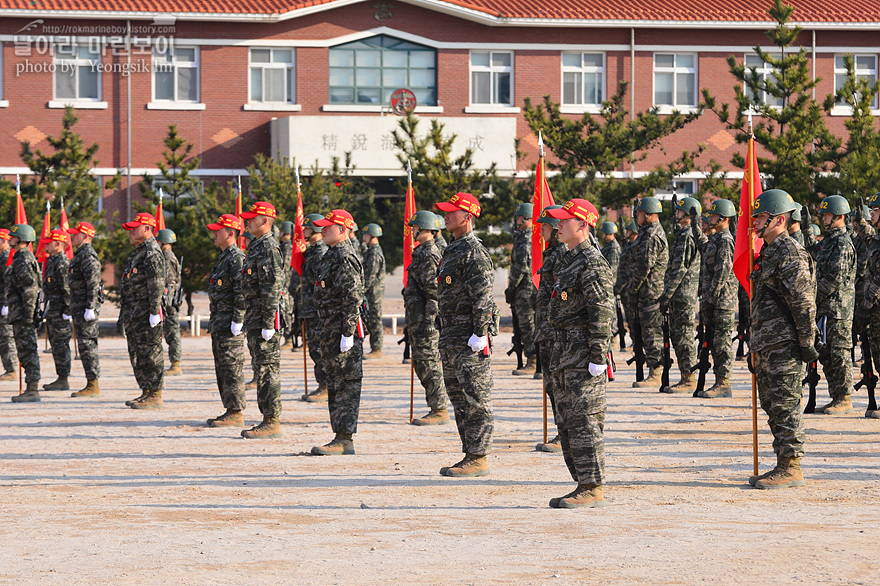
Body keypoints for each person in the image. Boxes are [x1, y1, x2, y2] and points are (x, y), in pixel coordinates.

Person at [544, 198, 613, 508]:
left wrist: (598, 358)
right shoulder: (569, 261)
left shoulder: (593, 263)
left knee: (585, 422)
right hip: (563, 357)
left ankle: (592, 487)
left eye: (564, 220)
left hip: (583, 358)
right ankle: (582, 482)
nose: (558, 225)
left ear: (583, 224)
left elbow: (601, 314)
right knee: (569, 424)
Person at [749, 189, 817, 489]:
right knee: (772, 404)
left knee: (786, 404)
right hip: (767, 343)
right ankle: (780, 462)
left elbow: (803, 303)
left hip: (785, 345)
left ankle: (792, 466)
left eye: (760, 216)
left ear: (778, 219)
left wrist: (806, 345)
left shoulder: (790, 252)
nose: (755, 222)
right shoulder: (769, 252)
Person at [435, 192, 496, 477]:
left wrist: (480, 332)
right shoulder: (453, 248)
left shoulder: (473, 251)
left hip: (468, 338)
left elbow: (482, 295)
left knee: (475, 397)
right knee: (458, 397)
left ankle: (479, 455)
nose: (446, 215)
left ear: (467, 216)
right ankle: (469, 452)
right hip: (451, 336)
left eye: (451, 211)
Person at [310, 209, 365, 455]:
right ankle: (338, 436)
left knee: (346, 385)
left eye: (327, 226)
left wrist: (348, 332)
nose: (322, 229)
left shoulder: (344, 257)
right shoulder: (331, 255)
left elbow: (352, 297)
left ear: (342, 229)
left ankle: (345, 438)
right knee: (334, 383)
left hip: (341, 332)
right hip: (329, 330)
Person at [802, 196, 856, 415]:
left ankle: (845, 397)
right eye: (823, 215)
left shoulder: (842, 243)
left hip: (838, 310)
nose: (824, 218)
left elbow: (835, 278)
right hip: (827, 308)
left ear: (839, 216)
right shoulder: (828, 241)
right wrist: (806, 229)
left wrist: (811, 297)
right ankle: (836, 396)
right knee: (827, 354)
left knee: (840, 354)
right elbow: (812, 252)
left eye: (827, 215)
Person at [239, 201, 284, 438]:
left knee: (267, 369)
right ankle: (266, 417)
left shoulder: (268, 247)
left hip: (264, 319)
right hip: (255, 317)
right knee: (261, 367)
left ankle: (271, 420)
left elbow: (272, 288)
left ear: (264, 221)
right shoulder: (257, 246)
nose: (247, 221)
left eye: (252, 217)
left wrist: (268, 323)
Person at [404, 211, 449, 425]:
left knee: (429, 363)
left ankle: (439, 408)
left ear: (425, 229)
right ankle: (435, 405)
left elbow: (434, 291)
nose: (412, 231)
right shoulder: (421, 252)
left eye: (415, 227)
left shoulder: (429, 253)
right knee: (423, 364)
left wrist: (430, 322)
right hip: (418, 319)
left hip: (425, 322)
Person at [119, 213, 165, 409]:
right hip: (135, 313)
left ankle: (155, 393)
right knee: (138, 353)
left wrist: (154, 311)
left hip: (146, 313)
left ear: (147, 229)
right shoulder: (138, 252)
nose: (130, 232)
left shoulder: (152, 253)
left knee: (150, 352)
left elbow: (157, 284)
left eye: (135, 228)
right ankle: (146, 390)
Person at [205, 214, 247, 427]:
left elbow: (241, 291)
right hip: (220, 322)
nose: (214, 233)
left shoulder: (236, 258)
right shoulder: (224, 258)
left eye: (218, 230)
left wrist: (238, 319)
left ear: (230, 233)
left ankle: (236, 411)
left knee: (232, 367)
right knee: (222, 368)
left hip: (230, 323)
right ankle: (229, 408)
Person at [694, 198, 737, 398]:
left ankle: (724, 383)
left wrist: (711, 298)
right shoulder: (714, 239)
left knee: (722, 343)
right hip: (713, 299)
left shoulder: (726, 241)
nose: (710, 219)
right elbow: (702, 246)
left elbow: (723, 271)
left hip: (722, 301)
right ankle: (718, 380)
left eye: (713, 215)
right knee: (714, 341)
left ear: (723, 218)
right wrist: (695, 225)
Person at [659, 197, 702, 393]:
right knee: (678, 334)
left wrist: (666, 295)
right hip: (679, 293)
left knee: (684, 335)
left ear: (687, 214)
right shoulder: (683, 233)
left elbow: (679, 269)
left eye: (679, 211)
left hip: (683, 293)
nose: (676, 214)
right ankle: (685, 375)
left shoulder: (687, 236)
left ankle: (689, 377)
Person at [534, 204, 566, 452]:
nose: (540, 230)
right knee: (550, 384)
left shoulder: (561, 255)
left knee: (558, 384)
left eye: (544, 225)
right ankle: (560, 432)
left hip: (555, 331)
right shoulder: (551, 253)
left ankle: (564, 435)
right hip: (546, 329)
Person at [630, 196, 669, 387]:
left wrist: (633, 288)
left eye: (639, 212)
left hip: (651, 292)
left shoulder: (652, 236)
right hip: (647, 291)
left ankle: (656, 372)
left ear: (649, 214)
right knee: (646, 331)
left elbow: (644, 266)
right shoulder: (647, 233)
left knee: (652, 332)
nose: (637, 215)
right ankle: (654, 369)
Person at [4, 224, 41, 402]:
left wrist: (28, 315)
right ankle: (30, 388)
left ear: (21, 239)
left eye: (13, 236)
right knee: (24, 351)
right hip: (19, 312)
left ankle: (33, 390)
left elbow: (30, 289)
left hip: (23, 314)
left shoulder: (23, 259)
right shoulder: (20, 257)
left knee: (28, 350)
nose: (10, 238)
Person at [66, 221, 103, 398]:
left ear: (86, 236)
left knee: (88, 345)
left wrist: (90, 307)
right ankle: (90, 382)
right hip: (79, 306)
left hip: (86, 308)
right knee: (83, 345)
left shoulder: (88, 255)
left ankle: (93, 384)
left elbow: (93, 283)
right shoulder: (79, 254)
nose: (73, 236)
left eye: (76, 234)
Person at [300, 213, 330, 402]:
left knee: (320, 348)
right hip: (310, 307)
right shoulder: (311, 252)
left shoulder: (319, 253)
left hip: (318, 309)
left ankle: (326, 386)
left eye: (307, 229)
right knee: (314, 348)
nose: (303, 232)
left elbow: (320, 284)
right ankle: (321, 384)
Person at [507, 203, 537, 376]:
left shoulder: (527, 238)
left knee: (527, 326)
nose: (516, 219)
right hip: (524, 288)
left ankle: (533, 360)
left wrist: (512, 287)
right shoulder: (522, 236)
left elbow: (521, 266)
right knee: (525, 325)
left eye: (519, 216)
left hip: (525, 289)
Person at [40, 229, 72, 392]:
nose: (45, 245)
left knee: (61, 345)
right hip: (53, 310)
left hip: (60, 312)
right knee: (55, 344)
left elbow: (67, 289)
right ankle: (60, 377)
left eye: (49, 243)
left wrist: (67, 311)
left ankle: (63, 378)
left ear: (58, 243)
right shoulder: (52, 261)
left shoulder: (62, 263)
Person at [156, 229, 182, 376]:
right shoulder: (166, 257)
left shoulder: (168, 258)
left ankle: (176, 364)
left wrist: (166, 302)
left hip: (170, 302)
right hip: (169, 300)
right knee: (170, 331)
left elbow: (169, 283)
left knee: (172, 331)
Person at [362, 223, 386, 358]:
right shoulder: (370, 251)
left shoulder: (375, 253)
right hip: (371, 292)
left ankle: (377, 349)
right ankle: (374, 348)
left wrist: (361, 290)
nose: (364, 238)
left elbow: (370, 275)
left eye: (366, 235)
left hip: (374, 293)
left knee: (375, 319)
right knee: (371, 319)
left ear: (373, 236)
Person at [0, 229, 18, 381]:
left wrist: (6, 304)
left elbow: (8, 283)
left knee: (6, 336)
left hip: (4, 304)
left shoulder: (6, 257)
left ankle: (11, 369)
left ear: (3, 240)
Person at [278, 221, 295, 349]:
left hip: (287, 284)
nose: (280, 233)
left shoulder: (288, 247)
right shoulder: (283, 246)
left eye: (282, 231)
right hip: (285, 284)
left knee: (287, 311)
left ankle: (288, 339)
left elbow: (285, 267)